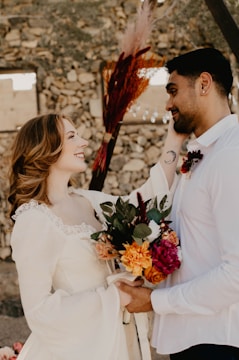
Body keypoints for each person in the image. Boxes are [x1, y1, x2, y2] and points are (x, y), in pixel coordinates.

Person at [8, 112, 185, 360]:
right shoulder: (34, 221)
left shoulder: (88, 200)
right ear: (47, 148)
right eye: (72, 137)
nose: (83, 142)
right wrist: (115, 297)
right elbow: (39, 311)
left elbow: (145, 202)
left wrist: (174, 141)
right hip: (80, 350)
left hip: (116, 341)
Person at [118, 47, 239, 360]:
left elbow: (237, 272)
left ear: (203, 84)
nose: (168, 103)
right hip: (194, 336)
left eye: (173, 91)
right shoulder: (201, 154)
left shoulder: (231, 155)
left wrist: (155, 301)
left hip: (218, 340)